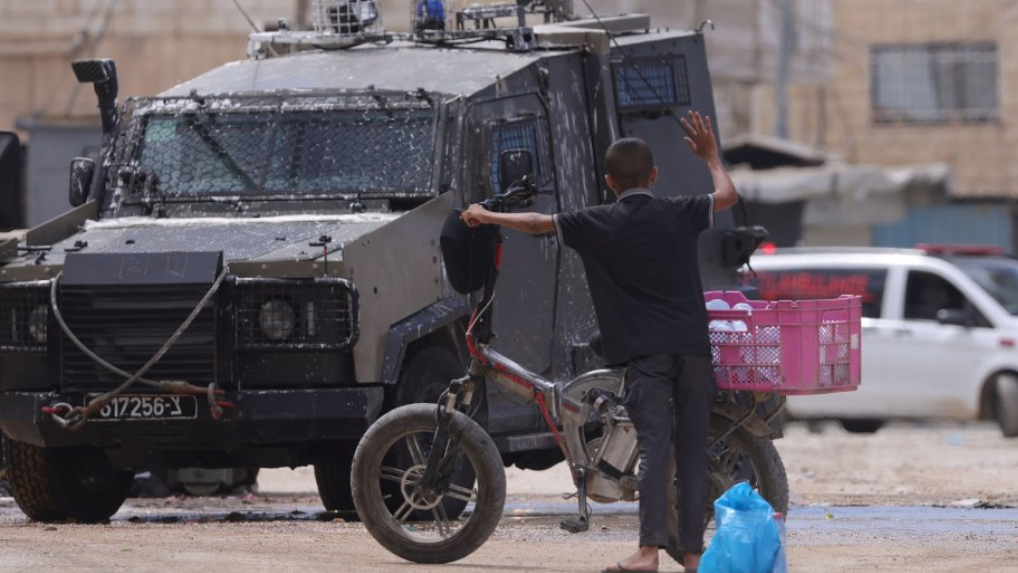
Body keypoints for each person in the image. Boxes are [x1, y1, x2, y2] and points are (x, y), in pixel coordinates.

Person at [461, 110, 738, 573]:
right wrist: (710, 155)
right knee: (691, 452)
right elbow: (728, 195)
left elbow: (536, 223)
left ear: (609, 182)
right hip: (692, 348)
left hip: (646, 354)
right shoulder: (680, 211)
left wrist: (486, 214)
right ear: (654, 176)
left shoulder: (596, 221)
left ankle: (649, 553)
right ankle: (692, 557)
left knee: (654, 449)